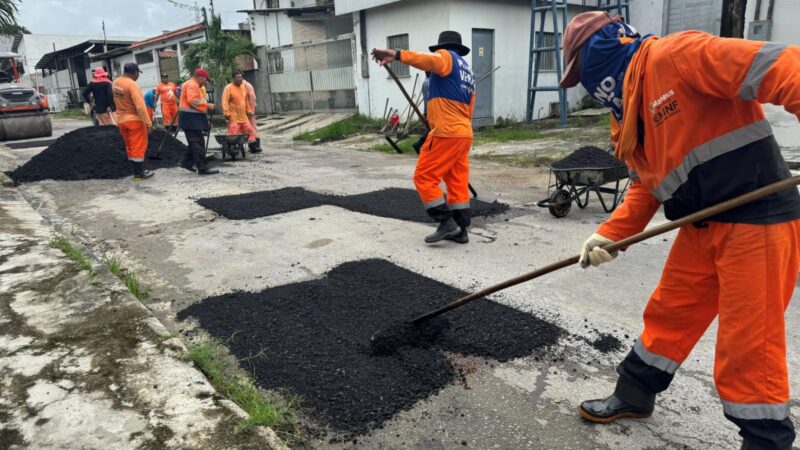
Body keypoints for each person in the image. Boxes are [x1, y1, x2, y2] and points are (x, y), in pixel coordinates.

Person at [561, 11, 800, 450]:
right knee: (668, 314)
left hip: (757, 218)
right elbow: (645, 186)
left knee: (751, 345)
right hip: (700, 225)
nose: (585, 84)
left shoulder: (679, 55)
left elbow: (786, 66)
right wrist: (610, 235)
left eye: (582, 71)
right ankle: (634, 393)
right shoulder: (626, 115)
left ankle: (767, 441)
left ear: (603, 52)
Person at [371, 31, 476, 244]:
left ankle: (446, 222)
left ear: (442, 47)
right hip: (464, 133)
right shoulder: (468, 72)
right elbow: (469, 108)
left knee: (424, 177)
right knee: (456, 181)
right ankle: (461, 229)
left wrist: (396, 54)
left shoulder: (445, 57)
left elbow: (427, 60)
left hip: (447, 132)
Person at [111, 63, 153, 181]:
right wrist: (148, 123)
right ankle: (139, 174)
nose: (138, 75)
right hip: (134, 121)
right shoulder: (132, 85)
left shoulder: (116, 83)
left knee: (130, 146)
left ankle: (136, 171)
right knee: (138, 146)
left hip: (121, 120)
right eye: (138, 73)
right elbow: (140, 106)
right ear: (135, 72)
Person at [178, 68, 218, 175]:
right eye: (205, 80)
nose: (205, 82)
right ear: (201, 78)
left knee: (195, 142)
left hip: (191, 118)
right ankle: (202, 168)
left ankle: (186, 162)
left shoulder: (193, 85)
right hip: (190, 118)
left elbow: (196, 101)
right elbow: (193, 100)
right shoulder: (191, 85)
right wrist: (208, 105)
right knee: (197, 143)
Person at [222, 70, 260, 153]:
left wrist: (249, 111)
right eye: (238, 77)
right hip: (233, 117)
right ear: (233, 78)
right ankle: (232, 150)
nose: (241, 79)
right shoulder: (228, 88)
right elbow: (225, 101)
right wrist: (226, 113)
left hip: (243, 117)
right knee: (233, 134)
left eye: (241, 77)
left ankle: (253, 147)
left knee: (250, 131)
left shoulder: (243, 87)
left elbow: (245, 101)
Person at [242, 78, 262, 153]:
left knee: (252, 126)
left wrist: (250, 110)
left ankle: (255, 145)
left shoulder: (246, 85)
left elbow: (252, 98)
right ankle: (253, 145)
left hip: (249, 110)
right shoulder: (245, 85)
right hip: (247, 110)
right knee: (250, 127)